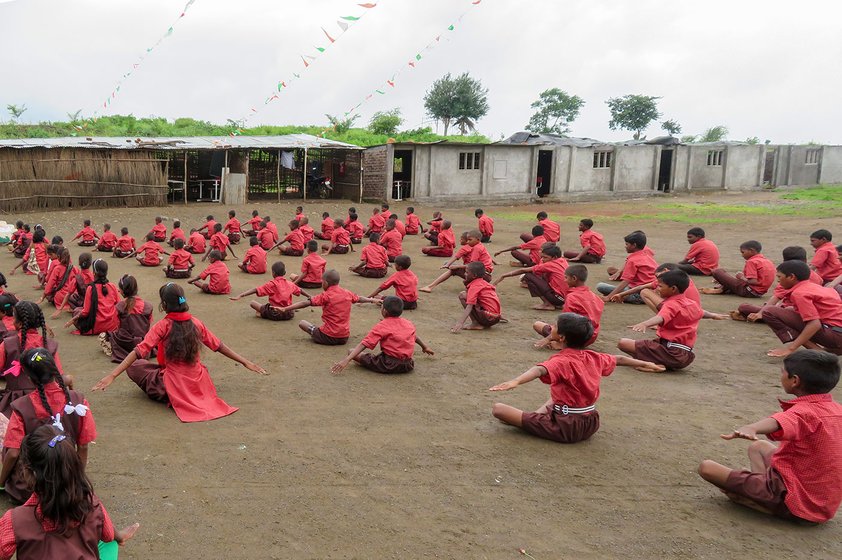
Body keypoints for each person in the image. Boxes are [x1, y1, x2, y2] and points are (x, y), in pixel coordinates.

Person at [698, 350, 842, 523]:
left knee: (707, 468)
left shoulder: (804, 412)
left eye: (783, 372)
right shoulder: (836, 410)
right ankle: (763, 494)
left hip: (795, 503)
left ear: (794, 380)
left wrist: (751, 428)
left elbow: (778, 421)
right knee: (758, 447)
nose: (781, 375)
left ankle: (763, 503)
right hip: (822, 504)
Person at [93, 283, 266, 422]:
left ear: (165, 305)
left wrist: (113, 375)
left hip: (172, 382)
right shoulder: (196, 323)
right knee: (149, 366)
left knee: (136, 366)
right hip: (197, 381)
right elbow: (219, 346)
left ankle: (172, 396)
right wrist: (245, 361)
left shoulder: (163, 325)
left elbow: (138, 351)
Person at [489, 313, 663, 443]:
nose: (551, 327)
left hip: (565, 427)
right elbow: (619, 359)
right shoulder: (594, 356)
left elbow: (539, 370)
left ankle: (530, 422)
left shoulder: (561, 360)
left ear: (562, 337)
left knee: (499, 409)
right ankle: (533, 418)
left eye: (555, 327)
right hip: (589, 424)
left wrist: (515, 381)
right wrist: (647, 363)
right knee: (557, 394)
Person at [0, 424, 139, 559]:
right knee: (109, 543)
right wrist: (118, 536)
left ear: (30, 473)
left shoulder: (15, 521)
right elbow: (108, 535)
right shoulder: (92, 504)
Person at [0, 348, 93, 503]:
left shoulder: (22, 407)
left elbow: (13, 454)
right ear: (54, 370)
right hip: (67, 486)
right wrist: (77, 481)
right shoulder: (79, 401)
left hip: (30, 489)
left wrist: (2, 483)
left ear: (29, 378)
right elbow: (83, 447)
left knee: (8, 443)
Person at [618, 269, 703, 370]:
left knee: (623, 343)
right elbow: (702, 312)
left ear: (673, 289)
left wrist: (644, 324)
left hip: (671, 352)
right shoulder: (691, 303)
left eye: (660, 286)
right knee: (646, 344)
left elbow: (660, 317)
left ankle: (653, 365)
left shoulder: (671, 304)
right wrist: (714, 315)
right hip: (685, 356)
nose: (657, 289)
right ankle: (657, 364)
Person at [331, 296, 433, 375]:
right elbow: (414, 336)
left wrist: (346, 360)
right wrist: (425, 347)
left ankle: (362, 362)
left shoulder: (382, 326)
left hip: (388, 365)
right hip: (408, 365)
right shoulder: (408, 323)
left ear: (384, 311)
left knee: (351, 351)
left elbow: (364, 344)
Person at [275, 270, 380, 345]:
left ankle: (317, 333)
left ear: (325, 283)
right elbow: (359, 298)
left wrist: (285, 309)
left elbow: (305, 303)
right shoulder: (347, 293)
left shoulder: (326, 295)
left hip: (327, 336)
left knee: (303, 323)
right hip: (344, 337)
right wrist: (371, 300)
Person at [762, 260, 842, 357]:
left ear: (791, 277)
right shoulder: (820, 288)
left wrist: (790, 349)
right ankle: (828, 350)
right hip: (837, 334)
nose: (778, 281)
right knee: (789, 309)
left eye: (779, 277)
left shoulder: (800, 293)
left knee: (769, 311)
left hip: (835, 336)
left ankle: (818, 352)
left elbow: (814, 324)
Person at [0, 301, 63, 418]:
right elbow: (58, 375)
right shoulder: (49, 345)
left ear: (18, 324)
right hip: (47, 402)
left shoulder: (7, 344)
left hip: (14, 403)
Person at [731, 246, 826, 323]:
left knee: (744, 307)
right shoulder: (817, 277)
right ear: (805, 260)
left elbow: (776, 297)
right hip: (812, 313)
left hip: (791, 312)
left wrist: (761, 313)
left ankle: (767, 317)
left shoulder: (788, 277)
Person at [532, 264, 603, 349]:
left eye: (566, 278)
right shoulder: (596, 297)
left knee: (538, 325)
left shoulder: (572, 297)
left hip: (575, 337)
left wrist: (548, 338)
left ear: (574, 278)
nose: (564, 280)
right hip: (590, 337)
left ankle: (562, 345)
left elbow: (565, 323)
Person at [494, 243, 568, 310]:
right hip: (564, 299)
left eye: (545, 257)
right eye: (542, 257)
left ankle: (547, 304)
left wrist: (503, 276)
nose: (542, 259)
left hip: (557, 298)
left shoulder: (550, 264)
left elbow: (523, 270)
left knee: (528, 276)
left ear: (554, 257)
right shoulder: (562, 260)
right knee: (538, 274)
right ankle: (555, 303)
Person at [230, 261, 310, 321]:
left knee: (253, 303)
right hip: (289, 314)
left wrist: (240, 295)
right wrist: (309, 296)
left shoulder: (272, 284)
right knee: (288, 307)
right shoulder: (290, 284)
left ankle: (261, 314)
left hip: (275, 313)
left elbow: (256, 290)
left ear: (273, 273)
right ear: (284, 273)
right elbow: (300, 290)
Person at [99, 275, 153, 363]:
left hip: (126, 342)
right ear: (136, 288)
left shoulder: (120, 306)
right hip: (143, 343)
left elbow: (116, 326)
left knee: (105, 336)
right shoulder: (148, 306)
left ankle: (121, 352)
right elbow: (148, 325)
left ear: (122, 291)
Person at [419, 231, 492, 293]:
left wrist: (455, 266)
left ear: (478, 239)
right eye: (467, 240)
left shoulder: (474, 248)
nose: (467, 242)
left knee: (454, 269)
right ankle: (472, 285)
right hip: (485, 274)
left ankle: (430, 286)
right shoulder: (479, 246)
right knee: (453, 267)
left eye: (469, 240)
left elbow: (472, 265)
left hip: (483, 275)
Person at [596, 231, 657, 304]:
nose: (625, 246)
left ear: (634, 245)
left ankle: (622, 297)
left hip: (638, 294)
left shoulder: (633, 260)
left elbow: (626, 281)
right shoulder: (647, 255)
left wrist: (608, 297)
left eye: (627, 244)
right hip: (652, 292)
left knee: (601, 286)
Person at [703, 240, 775, 297]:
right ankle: (724, 288)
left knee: (717, 271)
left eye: (743, 252)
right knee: (730, 279)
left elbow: (753, 281)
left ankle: (723, 288)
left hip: (749, 291)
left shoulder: (752, 262)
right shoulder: (767, 261)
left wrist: (741, 277)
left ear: (751, 251)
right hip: (760, 292)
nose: (742, 255)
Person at [67, 259, 120, 336]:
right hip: (112, 326)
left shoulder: (91, 288)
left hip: (96, 326)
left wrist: (74, 319)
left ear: (94, 273)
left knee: (76, 311)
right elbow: (118, 306)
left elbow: (85, 312)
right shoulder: (112, 286)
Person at [453, 261, 502, 333]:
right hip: (496, 317)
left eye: (467, 272)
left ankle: (475, 323)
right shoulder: (484, 283)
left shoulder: (475, 286)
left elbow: (470, 306)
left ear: (474, 276)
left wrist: (460, 323)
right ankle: (479, 322)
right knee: (468, 295)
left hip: (489, 318)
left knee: (462, 295)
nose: (464, 274)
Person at [52, 252, 93, 317]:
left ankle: (76, 309)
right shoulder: (94, 275)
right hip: (94, 302)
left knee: (70, 297)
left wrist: (60, 309)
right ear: (90, 263)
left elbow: (68, 294)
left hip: (84, 303)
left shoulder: (77, 278)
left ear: (79, 263)